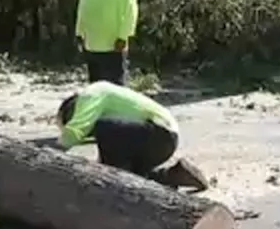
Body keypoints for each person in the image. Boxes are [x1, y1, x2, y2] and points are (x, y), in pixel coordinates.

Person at [56, 80, 207, 190]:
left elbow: (75, 131)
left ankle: (114, 181)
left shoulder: (90, 95)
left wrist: (52, 154)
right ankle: (174, 175)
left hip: (158, 133)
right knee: (134, 177)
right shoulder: (107, 100)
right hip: (163, 138)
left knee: (104, 130)